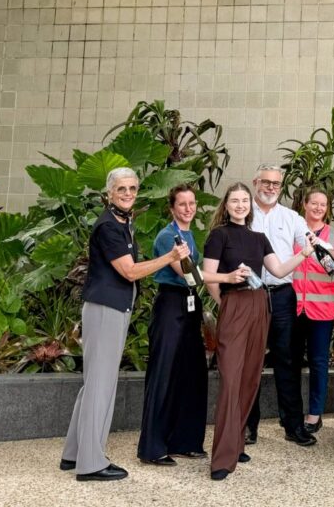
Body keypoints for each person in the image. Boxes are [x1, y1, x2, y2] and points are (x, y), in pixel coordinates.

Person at [61, 168, 192, 482]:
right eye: (122, 189)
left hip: (113, 307)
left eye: (133, 188)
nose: (129, 193)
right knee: (100, 385)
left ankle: (74, 453)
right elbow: (130, 272)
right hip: (105, 308)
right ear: (109, 192)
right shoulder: (108, 226)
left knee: (94, 383)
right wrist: (170, 257)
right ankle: (91, 464)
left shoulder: (122, 222)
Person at [202, 182, 316, 481]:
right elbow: (203, 274)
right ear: (225, 205)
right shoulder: (219, 235)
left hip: (260, 304)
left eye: (243, 201)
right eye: (234, 201)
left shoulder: (259, 237)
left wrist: (304, 253)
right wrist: (226, 290)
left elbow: (278, 271)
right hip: (235, 304)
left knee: (250, 378)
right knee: (231, 379)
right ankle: (222, 459)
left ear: (249, 206)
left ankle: (236, 442)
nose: (240, 205)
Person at [243, 164, 316, 447]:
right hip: (251, 295)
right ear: (255, 182)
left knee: (288, 360)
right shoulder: (241, 211)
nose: (271, 187)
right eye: (266, 182)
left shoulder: (291, 216)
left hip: (283, 294)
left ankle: (293, 425)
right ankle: (248, 427)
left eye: (276, 183)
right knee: (251, 361)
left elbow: (311, 242)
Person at [136, 184, 209, 465]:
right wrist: (226, 278)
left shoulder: (190, 235)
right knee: (164, 374)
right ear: (172, 208)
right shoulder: (168, 237)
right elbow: (189, 274)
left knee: (192, 373)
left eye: (192, 203)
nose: (188, 208)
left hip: (190, 307)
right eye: (182, 204)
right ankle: (153, 448)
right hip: (170, 306)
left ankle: (185, 441)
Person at [292, 188, 334, 434]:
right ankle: (292, 413)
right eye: (313, 203)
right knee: (291, 362)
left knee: (318, 363)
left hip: (322, 308)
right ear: (304, 204)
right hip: (292, 306)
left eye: (322, 204)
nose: (317, 208)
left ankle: (314, 414)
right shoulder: (292, 231)